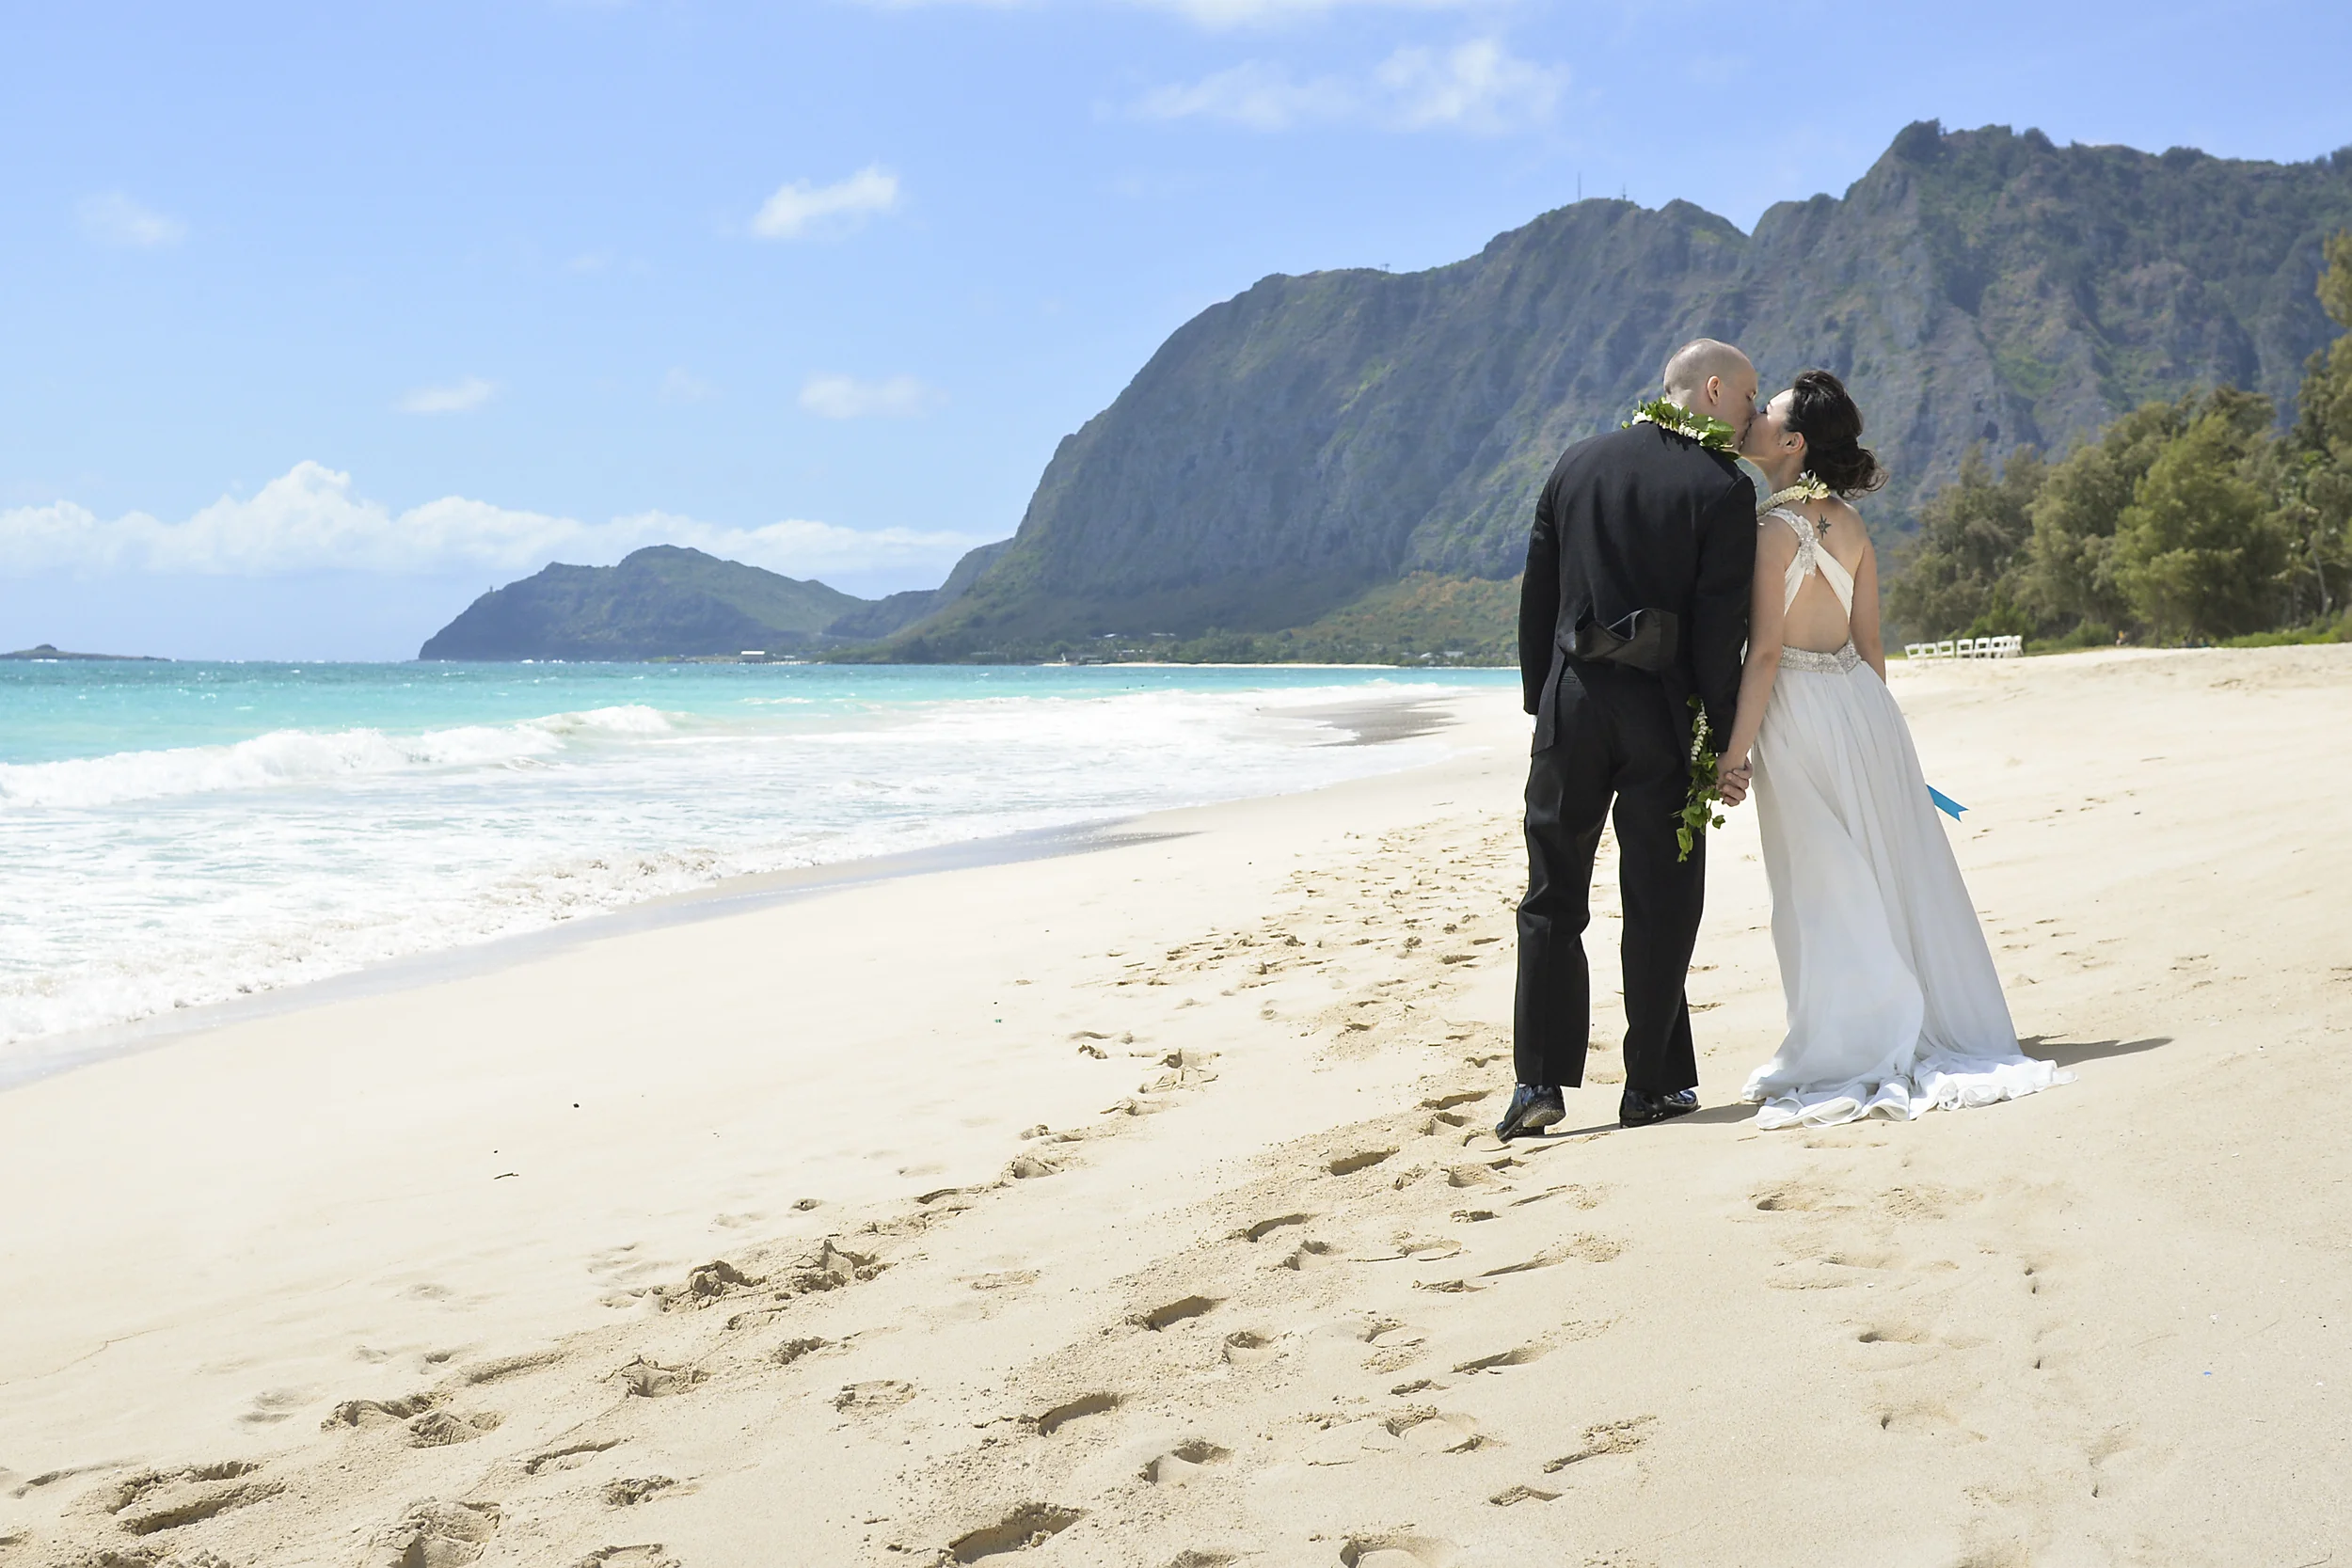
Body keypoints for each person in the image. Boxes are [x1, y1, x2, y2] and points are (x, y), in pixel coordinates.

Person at [1715, 370, 2068, 1129]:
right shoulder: (1851, 525)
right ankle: (1903, 1013)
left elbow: (1766, 654)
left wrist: (1734, 754)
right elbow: (1870, 646)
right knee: (1884, 867)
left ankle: (1851, 1035)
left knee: (1819, 881)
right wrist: (1877, 740)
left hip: (1799, 712)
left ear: (1792, 442)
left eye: (1767, 411)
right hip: (1863, 707)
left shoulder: (1770, 532)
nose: (1753, 417)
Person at [1499, 339, 1759, 1140]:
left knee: (1551, 895)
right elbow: (1719, 631)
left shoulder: (1575, 463)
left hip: (1572, 703)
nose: (1752, 412)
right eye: (1748, 395)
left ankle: (1537, 1082)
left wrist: (1544, 702)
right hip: (1665, 716)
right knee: (1661, 901)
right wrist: (1725, 740)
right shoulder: (1722, 487)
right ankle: (1650, 1084)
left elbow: (1538, 596)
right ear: (1711, 390)